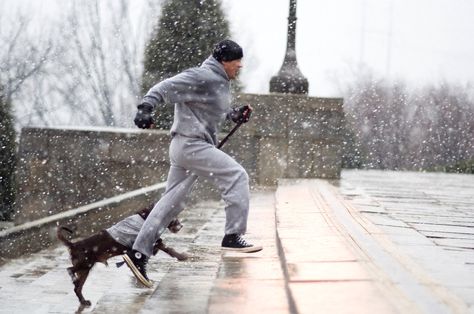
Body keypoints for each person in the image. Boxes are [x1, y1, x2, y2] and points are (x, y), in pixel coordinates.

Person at [122, 39, 262, 288]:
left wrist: (234, 114)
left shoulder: (218, 81)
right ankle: (233, 235)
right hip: (191, 145)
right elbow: (164, 87)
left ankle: (139, 253)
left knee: (171, 203)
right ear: (224, 61)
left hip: (187, 146)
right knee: (237, 176)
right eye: (236, 61)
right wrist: (145, 107)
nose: (240, 66)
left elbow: (214, 108)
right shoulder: (202, 76)